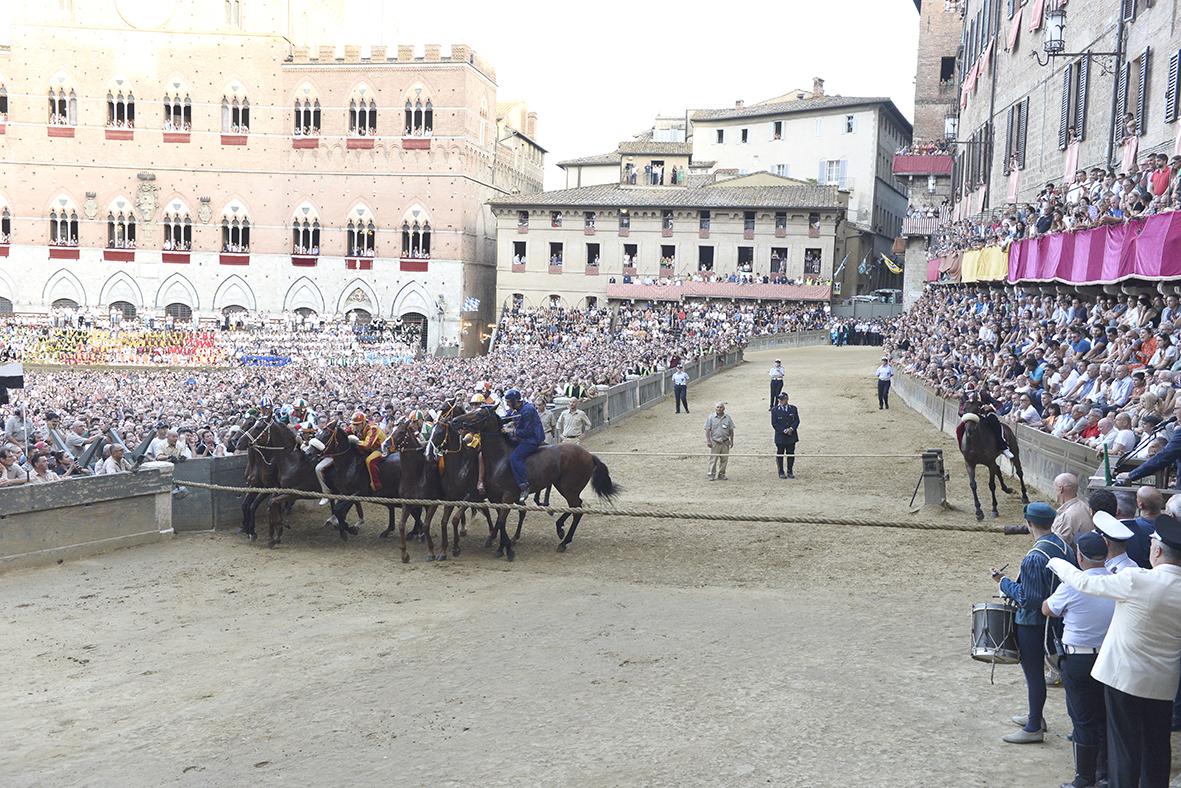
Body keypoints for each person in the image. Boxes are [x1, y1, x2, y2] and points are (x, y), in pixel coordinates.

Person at [1045, 514, 1181, 788]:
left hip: (1124, 679)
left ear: (1156, 551)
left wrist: (1056, 561)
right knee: (1157, 748)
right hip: (1163, 684)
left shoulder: (1136, 579)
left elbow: (1084, 583)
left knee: (1124, 749)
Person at [989, 501, 1072, 743]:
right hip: (1056, 621)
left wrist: (1002, 581)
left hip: (1034, 624)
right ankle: (1035, 716)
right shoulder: (1063, 546)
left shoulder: (1035, 556)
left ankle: (1034, 726)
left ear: (1028, 524)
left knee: (1034, 673)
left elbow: (1028, 599)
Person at [1042, 530, 1116, 788]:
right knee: (1106, 717)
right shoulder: (1116, 580)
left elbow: (1047, 609)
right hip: (1110, 658)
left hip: (1079, 660)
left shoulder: (1072, 584)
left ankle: (1084, 778)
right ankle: (1104, 774)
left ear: (1080, 558)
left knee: (1083, 719)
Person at [502, 389, 545, 502]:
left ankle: (524, 486)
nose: (507, 404)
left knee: (515, 457)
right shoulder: (513, 410)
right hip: (521, 438)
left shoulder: (528, 410)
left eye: (508, 402)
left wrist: (510, 431)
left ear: (515, 401)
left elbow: (528, 431)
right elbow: (505, 419)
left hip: (532, 439)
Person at [346, 411, 386, 491]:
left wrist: (355, 441)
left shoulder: (372, 428)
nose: (355, 427)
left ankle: (376, 485)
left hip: (381, 448)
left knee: (369, 460)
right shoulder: (354, 426)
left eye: (358, 424)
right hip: (370, 449)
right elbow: (344, 431)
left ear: (364, 422)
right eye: (354, 424)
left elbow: (367, 445)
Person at [1051, 473, 1093, 547]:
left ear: (1061, 489)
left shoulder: (1067, 517)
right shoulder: (1084, 506)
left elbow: (1056, 547)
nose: (1054, 491)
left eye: (1055, 487)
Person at [770, 391, 799, 479]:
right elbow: (774, 423)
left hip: (791, 436)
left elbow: (797, 421)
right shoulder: (775, 410)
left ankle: (790, 471)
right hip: (780, 437)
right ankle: (781, 471)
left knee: (791, 454)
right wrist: (783, 430)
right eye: (780, 399)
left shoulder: (793, 409)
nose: (781, 401)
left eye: (783, 399)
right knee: (780, 454)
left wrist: (791, 429)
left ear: (787, 399)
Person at [703, 401, 735, 481]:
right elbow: (707, 429)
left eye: (721, 407)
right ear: (715, 408)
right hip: (715, 442)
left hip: (725, 442)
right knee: (713, 459)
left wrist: (731, 440)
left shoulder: (728, 418)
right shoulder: (711, 418)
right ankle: (711, 474)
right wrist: (708, 441)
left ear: (723, 408)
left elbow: (731, 430)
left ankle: (721, 474)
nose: (719, 409)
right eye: (717, 407)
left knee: (724, 459)